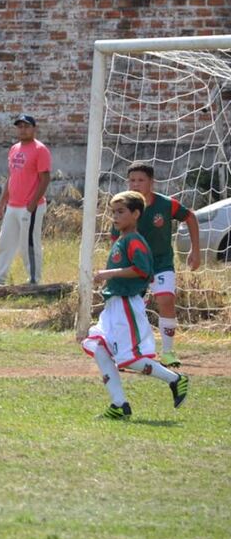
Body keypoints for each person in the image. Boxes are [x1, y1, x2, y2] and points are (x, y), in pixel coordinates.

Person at [81, 191, 189, 419]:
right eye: (113, 212)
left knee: (130, 359)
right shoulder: (122, 239)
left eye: (121, 212)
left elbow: (142, 270)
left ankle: (175, 379)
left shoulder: (135, 241)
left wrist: (108, 273)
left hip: (126, 305)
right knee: (98, 347)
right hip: (113, 306)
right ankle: (119, 404)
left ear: (136, 213)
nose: (115, 217)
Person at [121, 162, 201, 367]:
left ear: (151, 183)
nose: (136, 184)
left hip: (161, 262)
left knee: (166, 299)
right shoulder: (123, 207)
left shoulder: (166, 204)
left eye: (141, 180)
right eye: (132, 180)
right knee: (130, 307)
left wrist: (195, 249)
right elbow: (116, 238)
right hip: (135, 265)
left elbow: (190, 217)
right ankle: (130, 351)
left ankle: (168, 352)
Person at [0, 113, 51, 285]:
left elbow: (45, 178)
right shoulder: (14, 149)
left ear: (34, 128)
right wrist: (2, 202)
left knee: (28, 244)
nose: (23, 130)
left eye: (26, 126)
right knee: (5, 243)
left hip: (30, 206)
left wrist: (33, 203)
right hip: (12, 205)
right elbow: (11, 177)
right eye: (20, 126)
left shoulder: (40, 149)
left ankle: (34, 280)